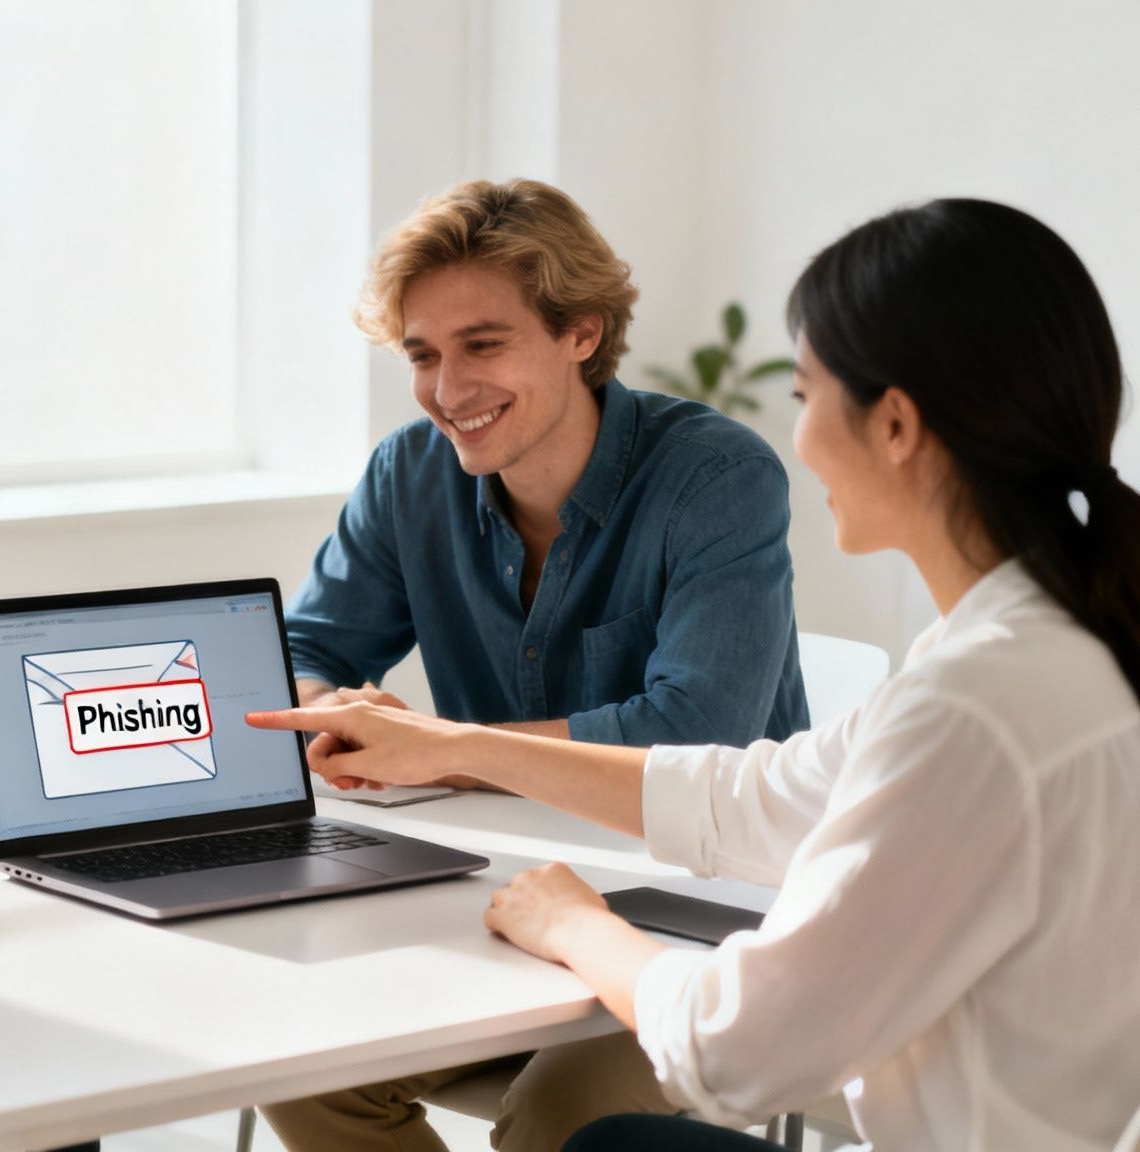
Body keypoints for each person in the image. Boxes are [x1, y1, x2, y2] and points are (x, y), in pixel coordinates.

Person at [251, 199, 1140, 1151]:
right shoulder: (1009, 657)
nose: (797, 438)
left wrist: (573, 925)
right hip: (530, 887)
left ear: (893, 425)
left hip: (684, 931)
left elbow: (744, 1043)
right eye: (423, 354)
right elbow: (753, 795)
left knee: (588, 1130)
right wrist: (443, 746)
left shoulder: (975, 703)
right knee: (313, 1060)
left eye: (804, 395)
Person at [262, 179, 810, 1151]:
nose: (446, 390)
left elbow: (696, 730)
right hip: (493, 888)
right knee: (306, 1066)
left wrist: (439, 749)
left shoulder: (717, 478)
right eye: (422, 355)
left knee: (563, 1115)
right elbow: (306, 647)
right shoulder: (407, 474)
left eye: (482, 344)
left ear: (580, 334)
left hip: (698, 913)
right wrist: (326, 715)